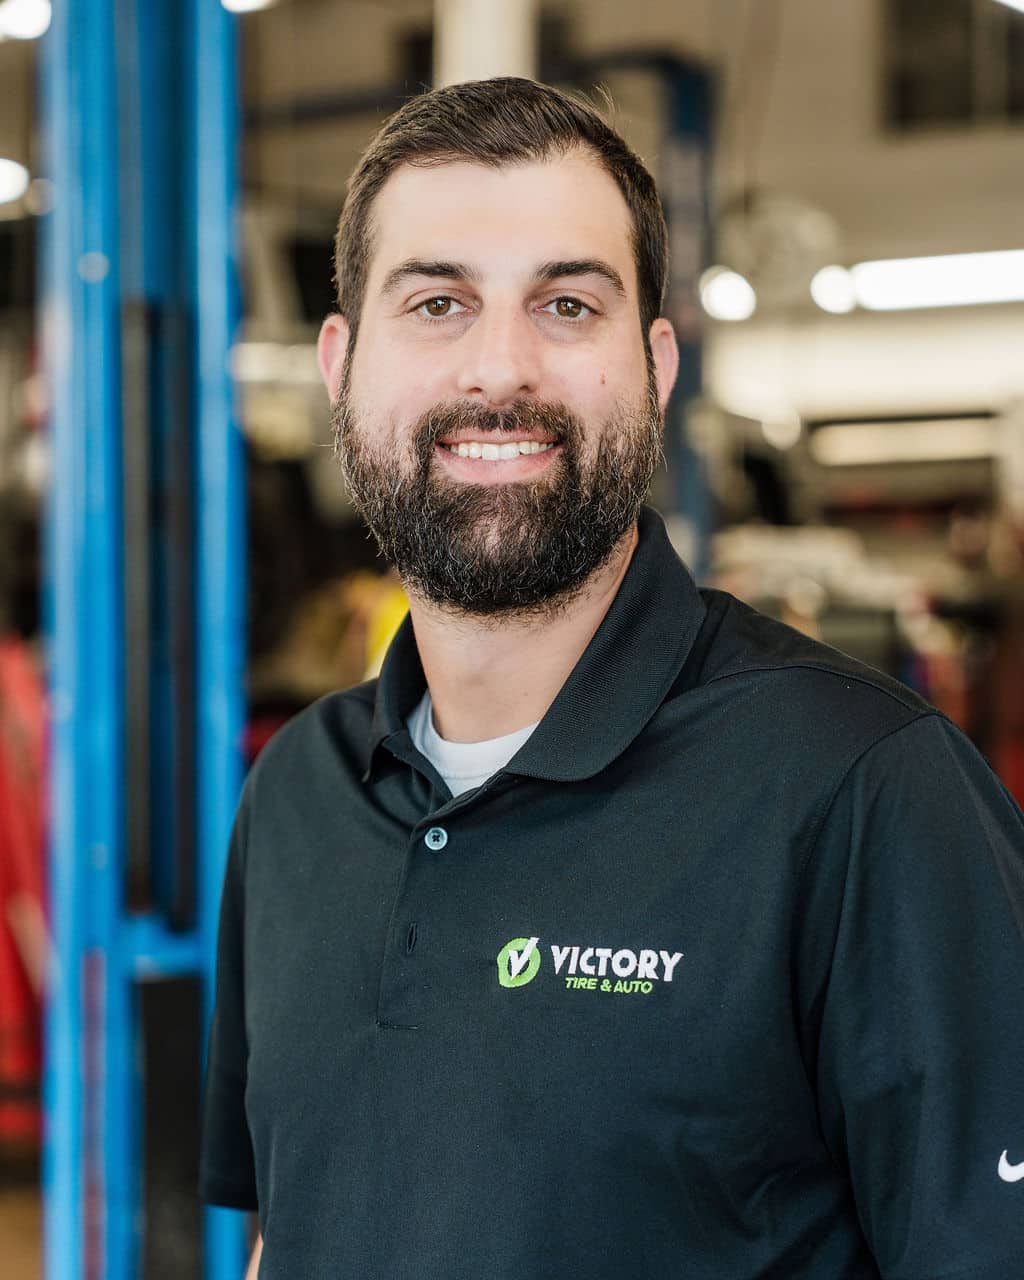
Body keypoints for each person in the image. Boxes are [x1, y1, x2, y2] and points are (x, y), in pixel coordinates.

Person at [200, 78, 1024, 1279]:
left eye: (567, 304)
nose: (499, 369)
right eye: (436, 302)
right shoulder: (297, 794)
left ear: (654, 364)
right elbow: (292, 1221)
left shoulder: (864, 789)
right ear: (342, 364)